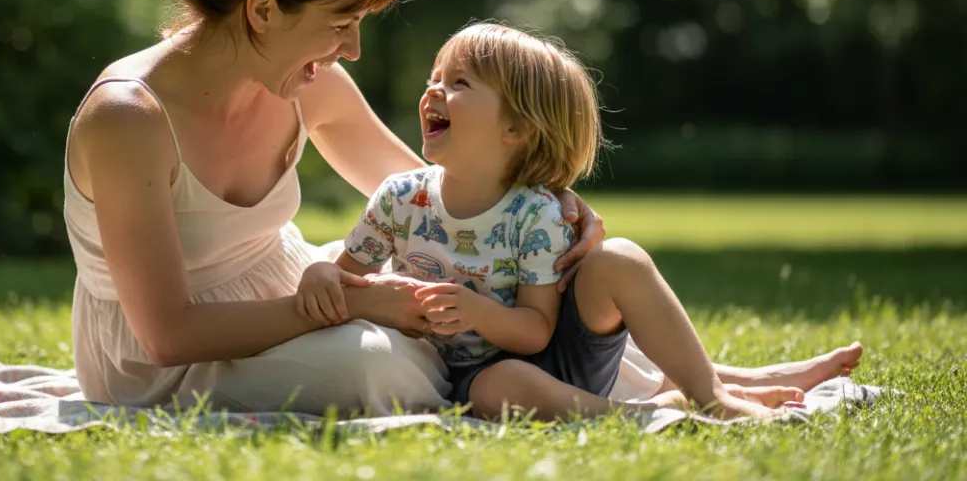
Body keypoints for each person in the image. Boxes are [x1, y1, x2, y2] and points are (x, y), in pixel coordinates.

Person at [60, 0, 612, 415]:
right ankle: (533, 392)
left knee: (476, 295)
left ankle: (624, 386)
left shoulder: (307, 83)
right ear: (263, 10)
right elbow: (167, 335)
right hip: (166, 361)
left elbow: (435, 196)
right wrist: (357, 305)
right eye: (340, 23)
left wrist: (542, 205)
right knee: (370, 366)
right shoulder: (129, 117)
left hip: (299, 289)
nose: (350, 49)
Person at [297, 23, 864, 420]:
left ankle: (711, 393)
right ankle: (644, 413)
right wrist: (323, 277)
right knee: (499, 386)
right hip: (485, 375)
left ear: (516, 129)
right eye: (435, 76)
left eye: (459, 83)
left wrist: (475, 311)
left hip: (559, 356)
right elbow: (348, 276)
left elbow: (538, 330)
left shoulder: (535, 212)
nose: (433, 91)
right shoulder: (400, 199)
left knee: (621, 257)